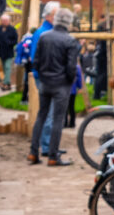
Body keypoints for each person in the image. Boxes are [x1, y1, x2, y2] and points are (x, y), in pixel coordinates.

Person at [28, 12, 82, 167]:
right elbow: (71, 66)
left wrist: (43, 75)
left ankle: (33, 152)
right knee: (58, 119)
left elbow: (36, 61)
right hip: (61, 84)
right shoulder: (70, 40)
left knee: (41, 116)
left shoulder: (44, 37)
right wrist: (69, 82)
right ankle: (53, 156)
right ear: (68, 23)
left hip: (45, 83)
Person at [0, 13, 18, 90]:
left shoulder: (12, 30)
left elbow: (15, 40)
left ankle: (5, 83)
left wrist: (9, 43)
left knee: (7, 67)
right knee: (2, 68)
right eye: (3, 20)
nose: (4, 22)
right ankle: (7, 83)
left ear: (9, 21)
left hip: (9, 52)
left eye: (6, 20)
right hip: (1, 52)